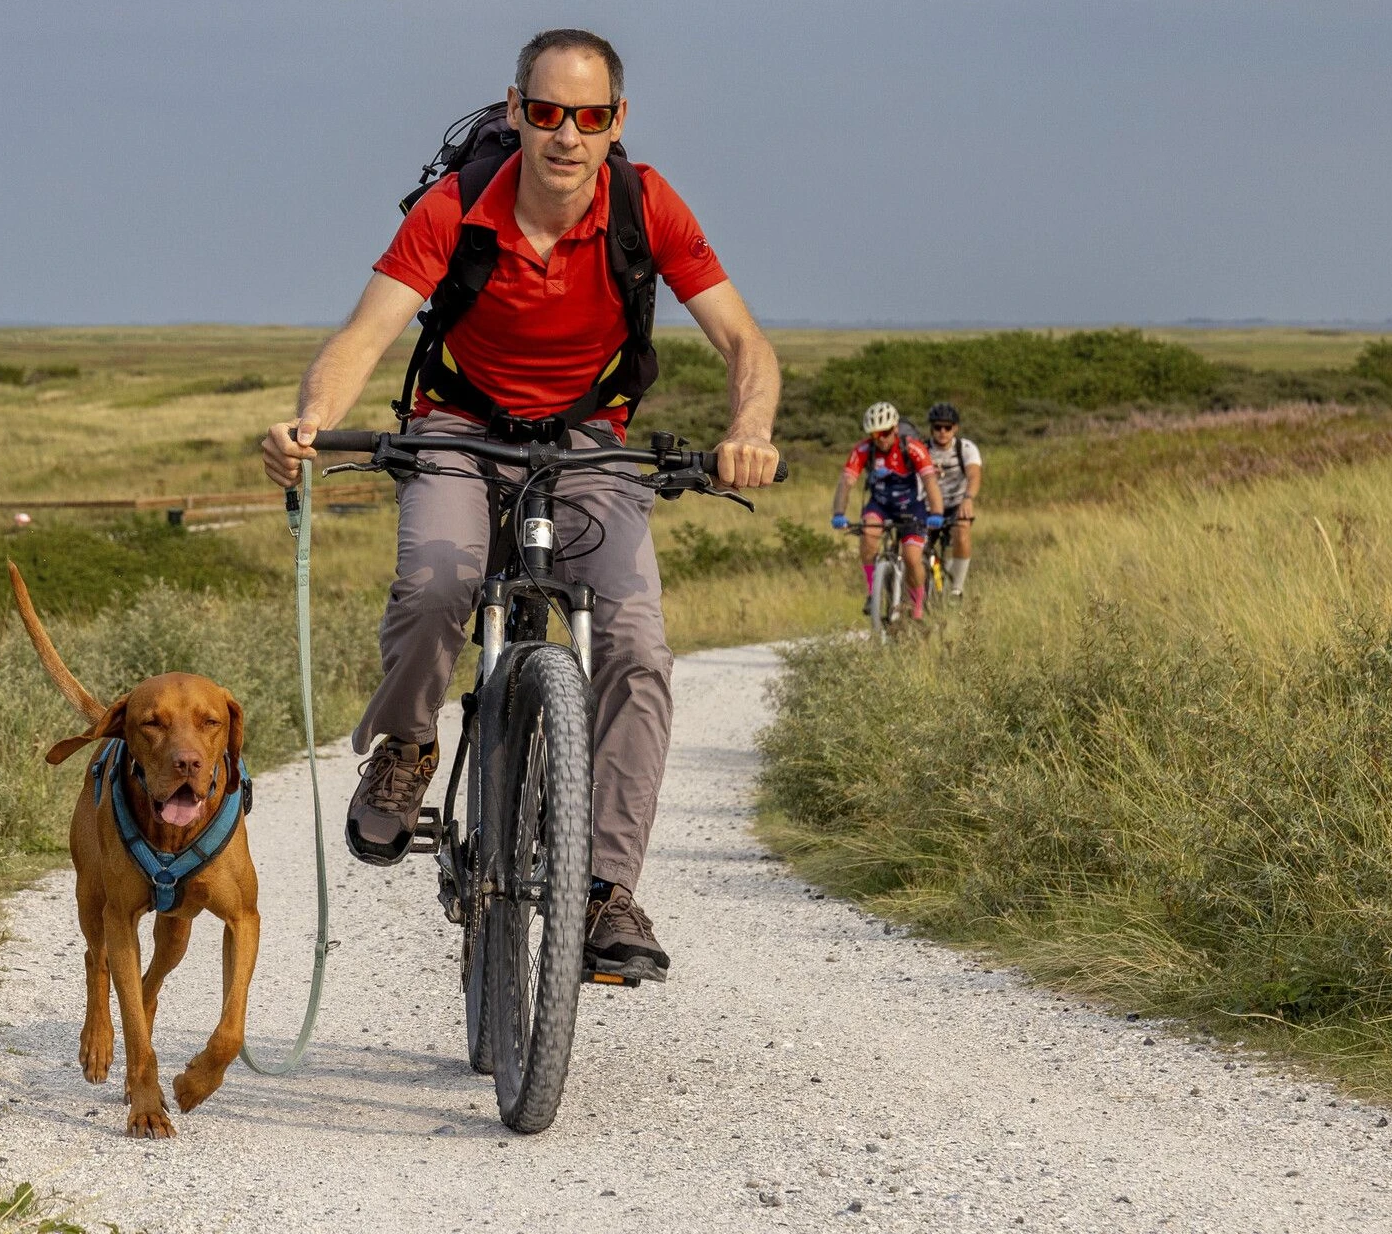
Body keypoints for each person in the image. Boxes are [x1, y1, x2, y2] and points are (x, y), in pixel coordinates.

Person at [261, 28, 781, 984]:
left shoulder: (646, 203)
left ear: (615, 121)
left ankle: (603, 891)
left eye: (588, 117)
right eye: (545, 113)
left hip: (588, 442)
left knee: (634, 641)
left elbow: (744, 342)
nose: (566, 136)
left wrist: (749, 428)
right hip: (457, 428)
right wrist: (308, 421)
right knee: (436, 580)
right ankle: (408, 746)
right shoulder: (454, 208)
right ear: (514, 112)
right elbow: (364, 334)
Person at [830, 401, 945, 619]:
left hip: (911, 506)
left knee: (912, 558)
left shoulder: (912, 448)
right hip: (880, 504)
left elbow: (930, 481)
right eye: (874, 435)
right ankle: (873, 591)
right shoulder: (863, 449)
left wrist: (937, 513)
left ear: (894, 429)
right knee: (868, 534)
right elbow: (846, 482)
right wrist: (838, 513)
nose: (880, 439)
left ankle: (917, 605)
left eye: (884, 433)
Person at [925, 402, 983, 597]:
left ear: (955, 428)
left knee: (962, 530)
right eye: (937, 427)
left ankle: (956, 589)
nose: (942, 432)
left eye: (947, 427)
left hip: (956, 503)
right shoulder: (922, 449)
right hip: (928, 506)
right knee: (917, 547)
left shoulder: (966, 448)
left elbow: (974, 475)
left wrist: (968, 498)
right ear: (931, 428)